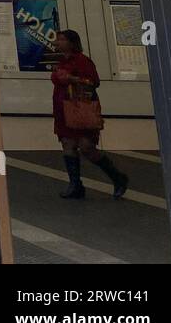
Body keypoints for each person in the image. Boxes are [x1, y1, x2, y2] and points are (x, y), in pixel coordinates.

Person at [51, 29, 128, 200]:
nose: (58, 43)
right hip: (63, 109)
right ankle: (75, 184)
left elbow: (94, 82)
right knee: (68, 144)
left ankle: (117, 177)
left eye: (62, 40)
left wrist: (71, 78)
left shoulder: (82, 61)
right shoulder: (61, 61)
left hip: (81, 108)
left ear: (72, 42)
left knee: (86, 147)